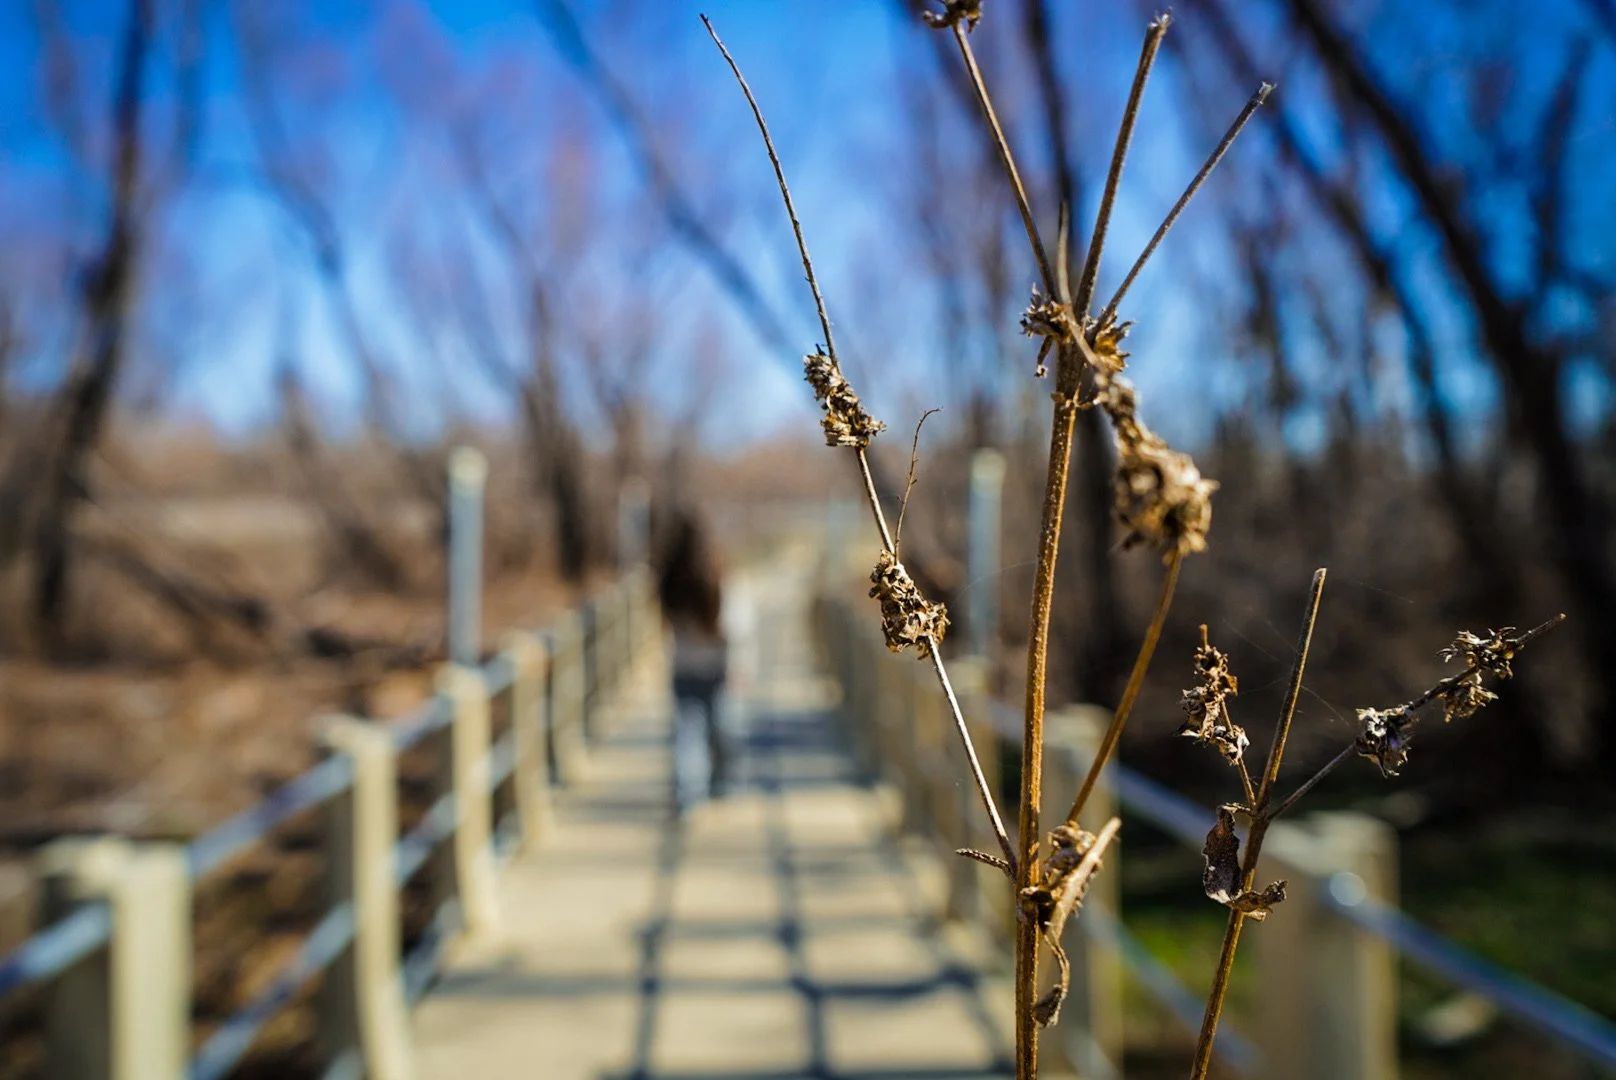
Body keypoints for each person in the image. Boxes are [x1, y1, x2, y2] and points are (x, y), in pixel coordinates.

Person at [656, 508, 728, 813]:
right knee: (718, 730)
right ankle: (716, 785)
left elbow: (664, 622)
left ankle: (688, 795)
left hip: (682, 665)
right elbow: (728, 623)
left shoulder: (667, 578)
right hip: (714, 665)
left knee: (688, 733)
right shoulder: (713, 576)